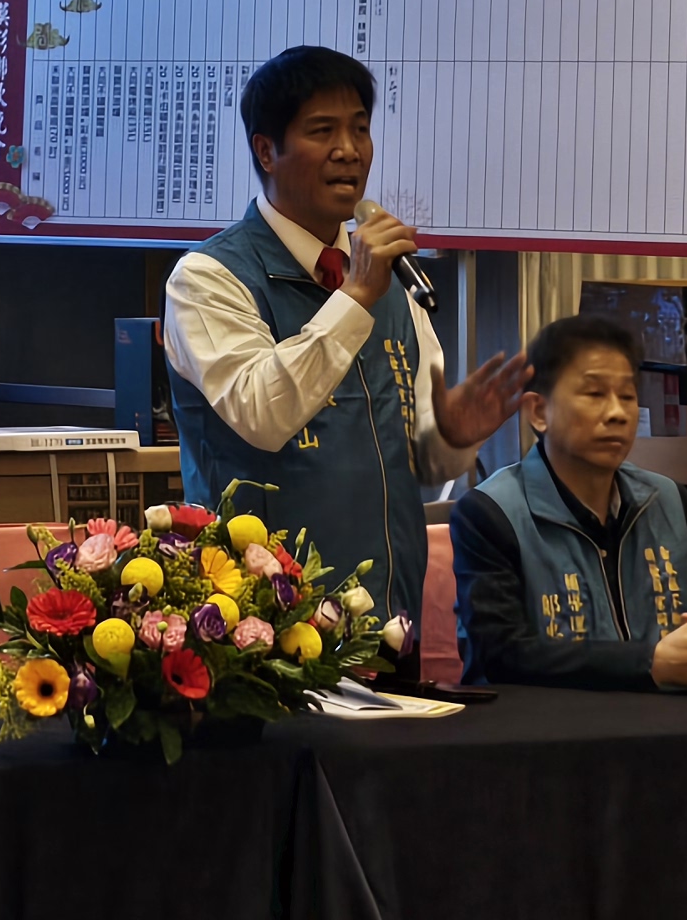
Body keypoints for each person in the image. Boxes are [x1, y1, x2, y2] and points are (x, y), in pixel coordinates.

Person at [163, 46, 526, 644]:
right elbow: (261, 413)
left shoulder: (394, 285)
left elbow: (424, 466)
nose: (349, 150)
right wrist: (355, 296)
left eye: (360, 128)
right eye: (322, 130)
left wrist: (456, 435)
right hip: (258, 632)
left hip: (389, 620)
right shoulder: (209, 278)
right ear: (266, 151)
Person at [449, 312, 687, 692]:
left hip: (664, 718)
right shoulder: (490, 512)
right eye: (594, 394)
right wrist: (648, 664)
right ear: (538, 411)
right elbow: (501, 653)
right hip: (539, 723)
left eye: (627, 396)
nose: (617, 413)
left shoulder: (668, 499)